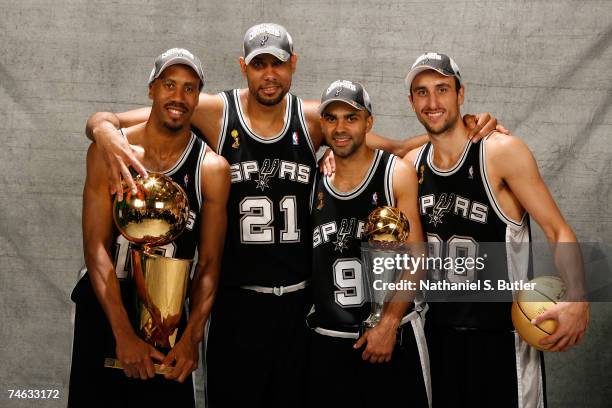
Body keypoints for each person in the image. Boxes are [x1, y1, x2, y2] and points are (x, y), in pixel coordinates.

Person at [83, 23, 499, 407]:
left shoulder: (315, 118)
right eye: (259, 64)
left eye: (278, 64)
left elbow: (381, 147)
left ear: (293, 65)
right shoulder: (215, 109)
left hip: (299, 303)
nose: (269, 74)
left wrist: (466, 129)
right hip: (237, 300)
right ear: (243, 66)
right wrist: (102, 129)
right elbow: (123, 119)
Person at [403, 52, 589, 407]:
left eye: (442, 89)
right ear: (411, 101)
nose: (432, 101)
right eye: (421, 92)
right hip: (437, 339)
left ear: (461, 93)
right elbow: (364, 146)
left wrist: (578, 298)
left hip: (502, 341)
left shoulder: (502, 153)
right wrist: (329, 156)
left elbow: (557, 230)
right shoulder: (412, 165)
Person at [68, 48, 230, 407]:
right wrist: (122, 332)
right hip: (108, 303)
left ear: (198, 97)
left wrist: (192, 338)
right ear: (151, 90)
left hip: (166, 314)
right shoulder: (109, 151)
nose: (178, 96)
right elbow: (95, 248)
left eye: (189, 88)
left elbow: (210, 265)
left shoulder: (211, 169)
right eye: (169, 84)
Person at [308, 80, 429, 407]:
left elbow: (417, 258)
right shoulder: (313, 179)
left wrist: (388, 324)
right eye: (331, 118)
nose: (340, 127)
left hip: (394, 335)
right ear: (322, 125)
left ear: (368, 122)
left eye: (351, 117)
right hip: (330, 339)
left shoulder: (395, 174)